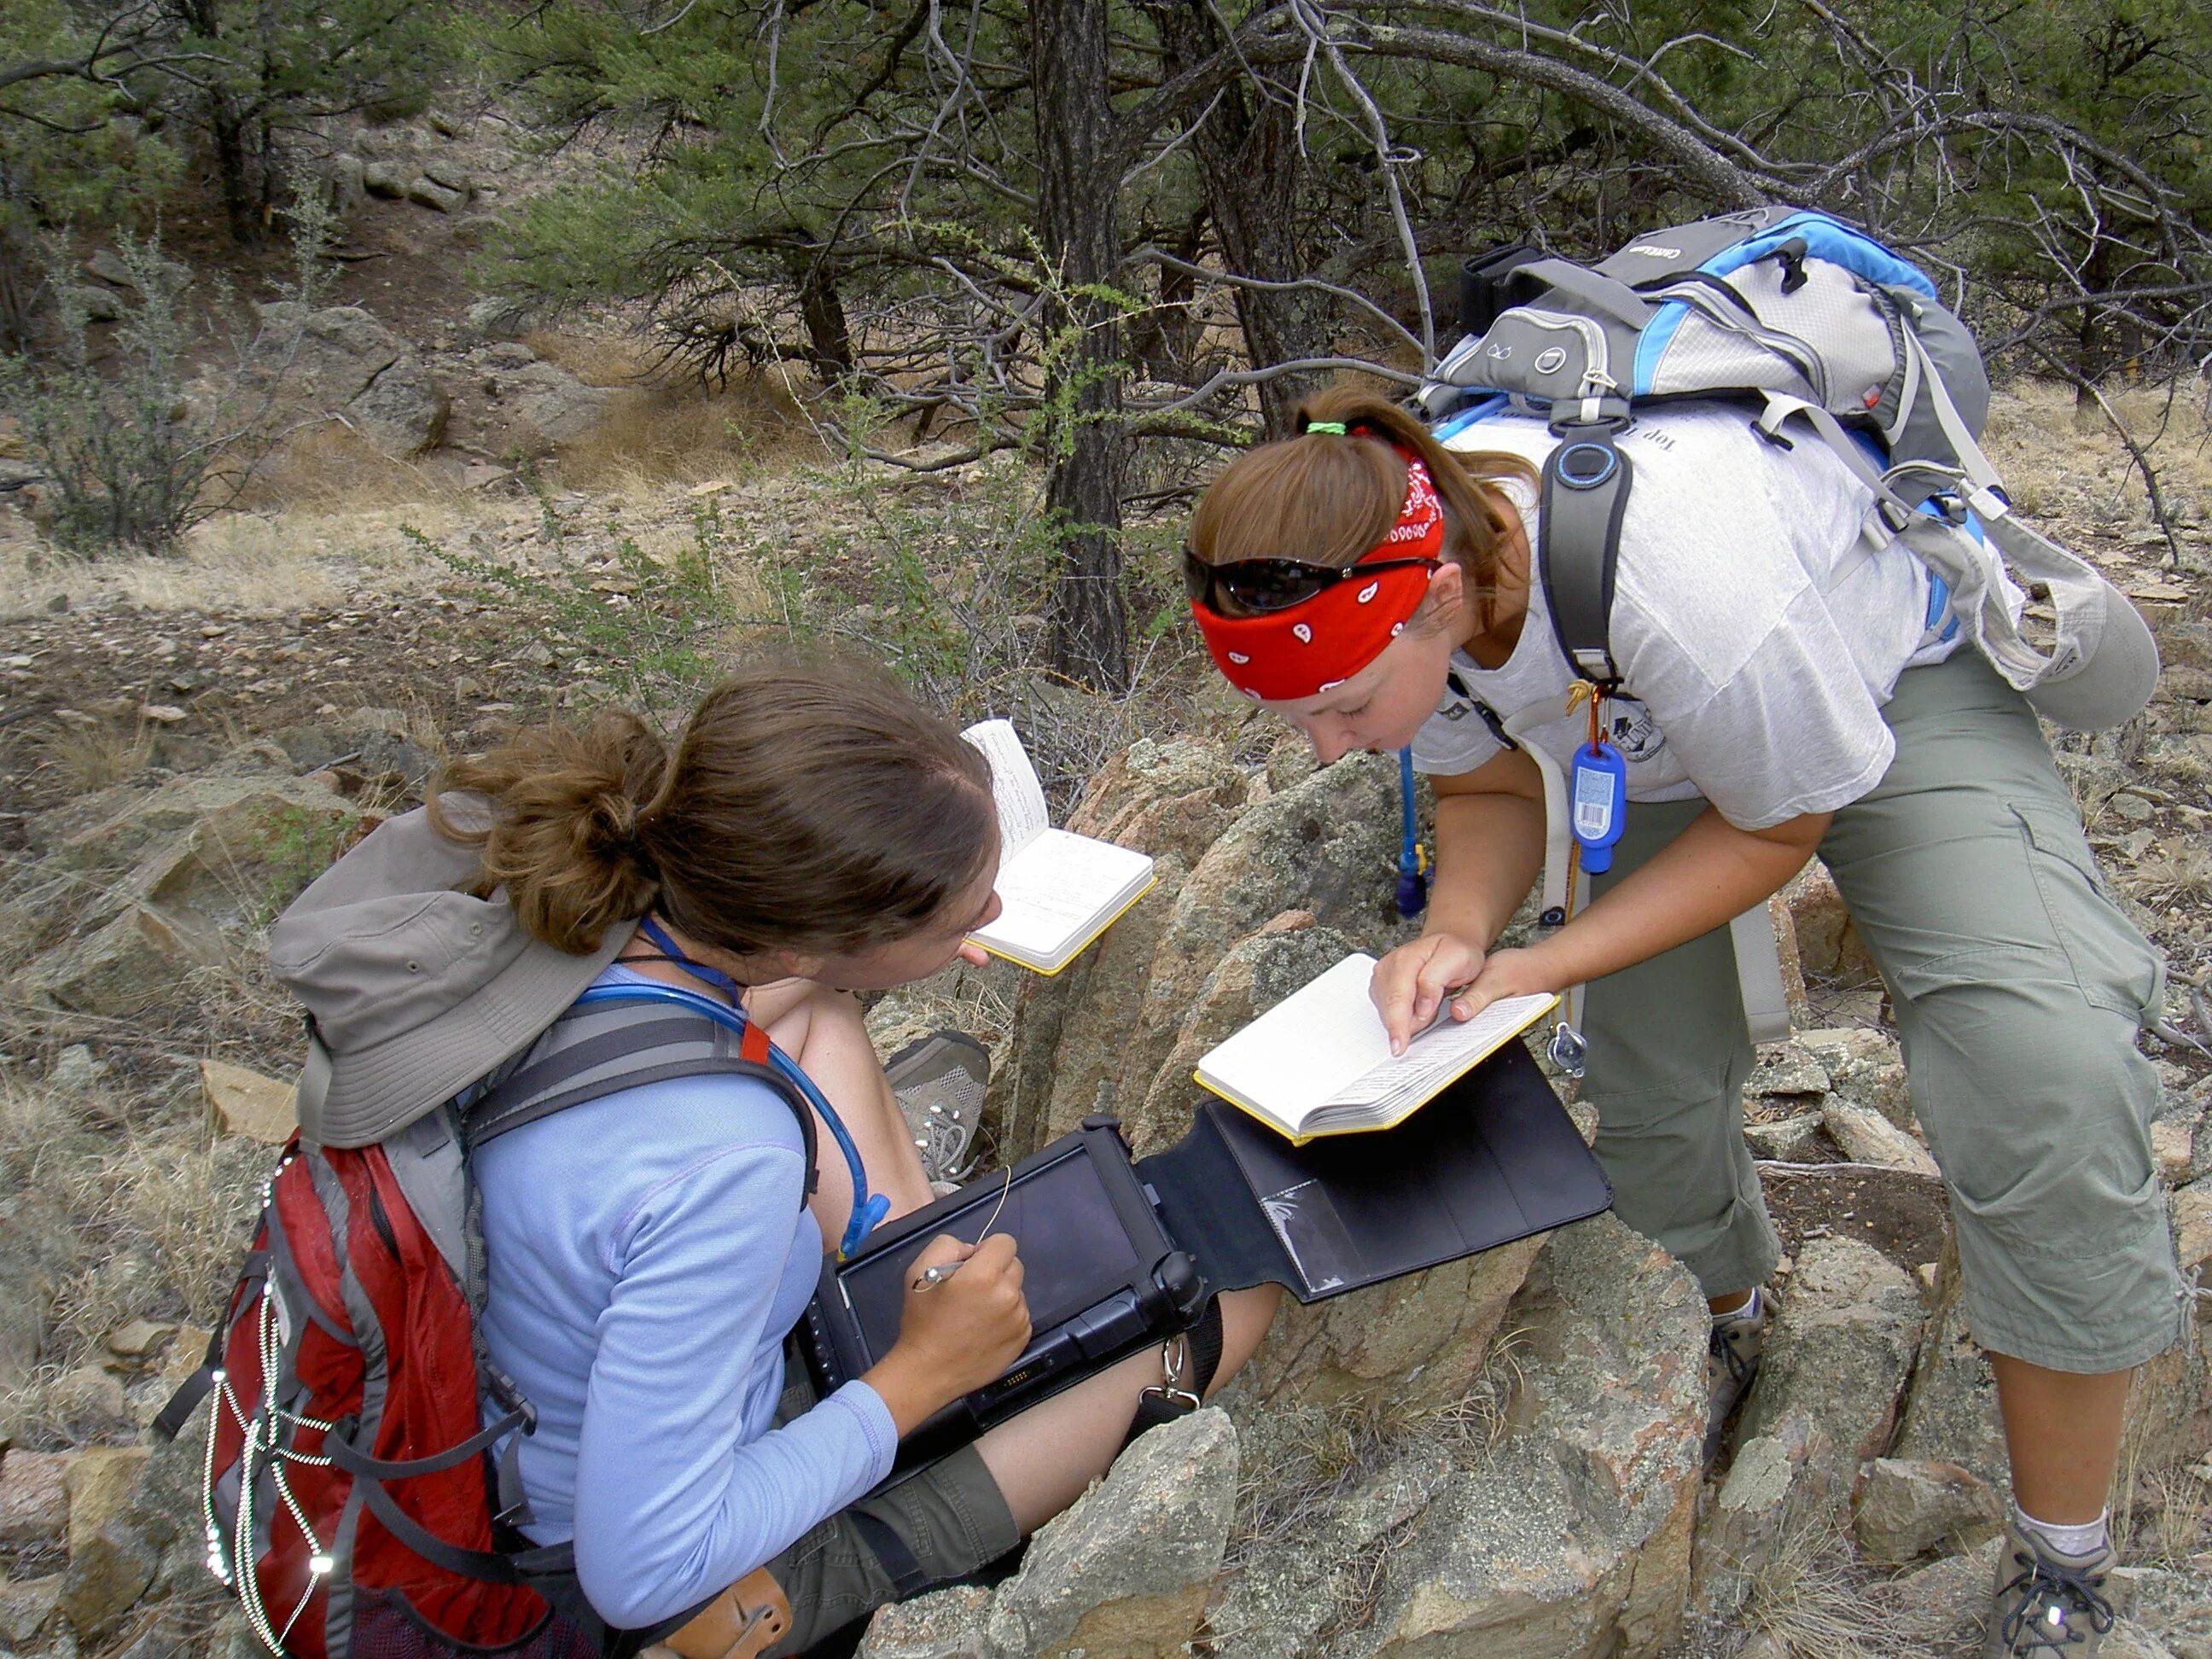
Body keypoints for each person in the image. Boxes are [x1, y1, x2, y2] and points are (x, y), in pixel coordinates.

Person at [1182, 388, 2180, 1657]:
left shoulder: (1683, 587)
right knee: (1645, 1088)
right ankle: (1710, 1324)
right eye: (1303, 716)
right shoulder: (1394, 576)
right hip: (1638, 726)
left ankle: (2064, 1553)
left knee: (2045, 1072)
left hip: (1882, 682)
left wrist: (1549, 964)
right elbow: (1487, 774)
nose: (1328, 746)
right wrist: (1462, 930)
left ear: (1441, 597)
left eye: (1347, 709)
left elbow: (1778, 822)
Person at [292, 659, 1278, 1656]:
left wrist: (890, 948)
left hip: (545, 1396)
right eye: (964, 911)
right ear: (815, 934)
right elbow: (642, 1570)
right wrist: (917, 1382)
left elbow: (781, 1004)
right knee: (1230, 1308)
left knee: (822, 1022)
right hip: (648, 1580)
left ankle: (910, 1259)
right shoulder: (729, 1164)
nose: (989, 918)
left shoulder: (590, 916)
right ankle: (943, 1379)